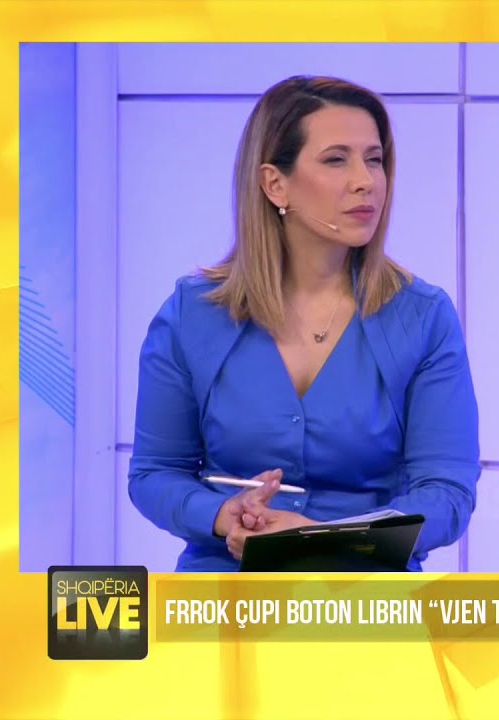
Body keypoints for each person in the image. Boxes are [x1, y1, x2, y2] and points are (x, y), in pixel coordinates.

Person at [128, 76, 480, 572]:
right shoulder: (194, 313)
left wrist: (325, 540)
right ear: (275, 184)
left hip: (364, 597)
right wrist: (224, 516)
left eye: (374, 159)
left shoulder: (422, 317)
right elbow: (154, 473)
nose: (366, 181)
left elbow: (447, 494)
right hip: (226, 591)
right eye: (336, 160)